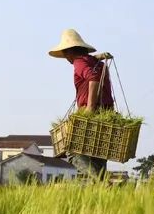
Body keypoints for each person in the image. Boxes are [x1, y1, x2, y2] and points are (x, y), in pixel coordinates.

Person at [48, 28, 114, 178]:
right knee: (97, 154)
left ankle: (102, 183)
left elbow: (93, 78)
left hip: (92, 114)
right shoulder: (96, 62)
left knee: (72, 152)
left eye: (66, 53)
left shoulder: (79, 62)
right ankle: (103, 190)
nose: (66, 58)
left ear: (71, 51)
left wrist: (90, 107)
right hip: (106, 114)